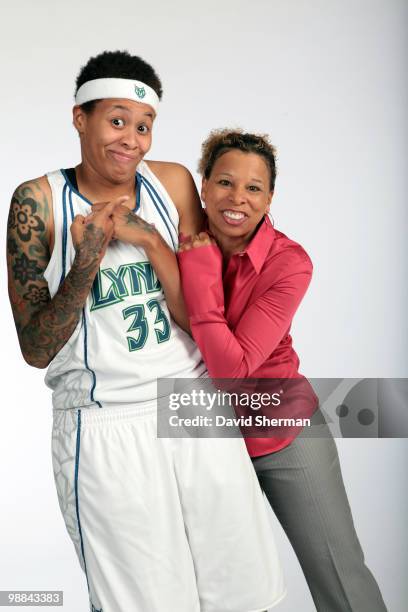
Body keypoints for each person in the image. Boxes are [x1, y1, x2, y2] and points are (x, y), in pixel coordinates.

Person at [6, 53, 285, 612]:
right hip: (106, 420)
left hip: (193, 403)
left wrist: (155, 245)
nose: (131, 139)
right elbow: (36, 350)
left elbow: (198, 316)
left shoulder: (174, 183)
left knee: (246, 594)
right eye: (116, 120)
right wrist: (86, 261)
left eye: (143, 125)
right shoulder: (37, 203)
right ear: (80, 117)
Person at [177, 129, 387, 611]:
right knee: (206, 588)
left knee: (341, 579)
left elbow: (235, 372)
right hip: (200, 433)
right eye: (225, 182)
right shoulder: (177, 243)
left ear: (270, 197)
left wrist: (204, 274)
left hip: (282, 433)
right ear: (203, 185)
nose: (238, 199)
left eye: (254, 188)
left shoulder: (290, 263)